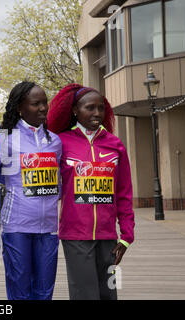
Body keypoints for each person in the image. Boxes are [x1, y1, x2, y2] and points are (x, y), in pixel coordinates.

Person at [47, 83, 135, 300]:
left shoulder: (115, 145)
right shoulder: (61, 142)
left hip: (108, 237)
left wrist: (126, 236)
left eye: (101, 108)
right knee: (84, 295)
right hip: (75, 236)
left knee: (109, 293)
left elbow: (124, 192)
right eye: (90, 108)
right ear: (75, 110)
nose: (97, 113)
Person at [0, 81, 62, 300]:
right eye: (36, 104)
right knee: (20, 291)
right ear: (20, 108)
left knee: (45, 291)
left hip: (48, 229)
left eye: (45, 102)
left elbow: (59, 183)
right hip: (17, 226)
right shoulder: (5, 140)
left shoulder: (55, 142)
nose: (43, 108)